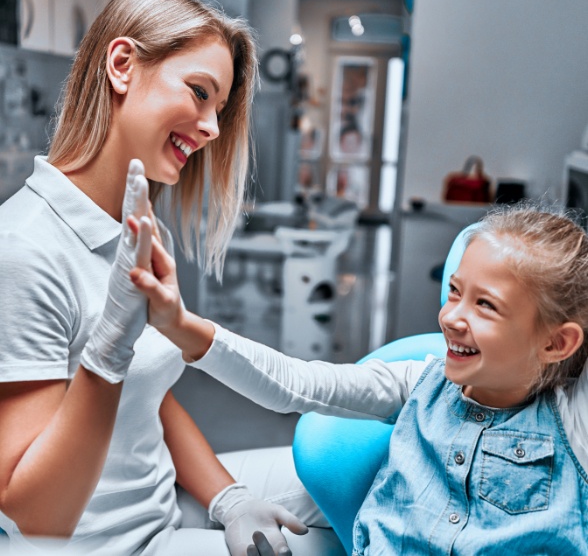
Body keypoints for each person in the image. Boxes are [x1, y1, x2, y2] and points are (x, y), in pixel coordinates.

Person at [0, 0, 323, 555]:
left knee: (363, 479)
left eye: (219, 109)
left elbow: (150, 395)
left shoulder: (139, 223)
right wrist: (106, 354)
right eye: (200, 92)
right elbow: (38, 518)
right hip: (104, 546)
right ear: (122, 64)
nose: (212, 129)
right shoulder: (23, 249)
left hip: (166, 508)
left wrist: (229, 499)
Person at [130, 203, 588, 554]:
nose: (451, 317)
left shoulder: (573, 422)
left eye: (485, 305)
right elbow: (298, 383)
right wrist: (182, 326)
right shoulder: (420, 385)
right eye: (454, 292)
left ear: (557, 343)